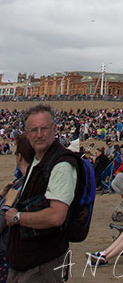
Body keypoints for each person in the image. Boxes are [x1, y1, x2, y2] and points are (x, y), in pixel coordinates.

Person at [5, 104, 79, 282]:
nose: (39, 134)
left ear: (54, 129)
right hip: (27, 261)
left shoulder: (61, 165)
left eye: (44, 128)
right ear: (27, 133)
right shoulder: (40, 159)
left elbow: (56, 216)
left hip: (42, 264)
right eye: (34, 130)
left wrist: (18, 218)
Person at [0, 135, 35, 282]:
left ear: (19, 157)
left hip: (9, 253)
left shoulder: (22, 186)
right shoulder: (34, 180)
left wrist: (6, 205)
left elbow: (2, 222)